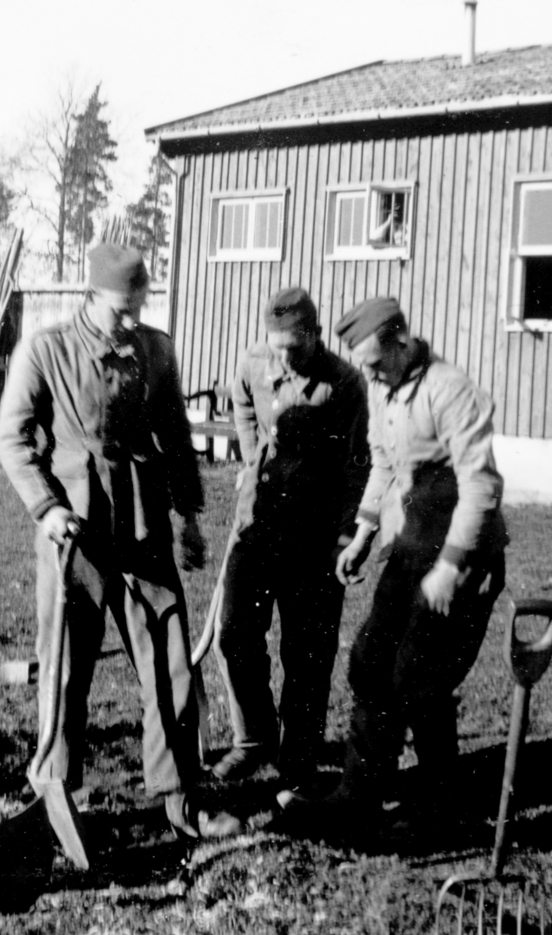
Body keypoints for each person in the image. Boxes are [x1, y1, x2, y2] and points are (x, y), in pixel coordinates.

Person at [0, 243, 237, 841]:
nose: (132, 320)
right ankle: (55, 797)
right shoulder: (45, 350)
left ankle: (182, 797)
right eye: (121, 310)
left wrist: (189, 519)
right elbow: (12, 438)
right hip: (74, 535)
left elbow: (178, 439)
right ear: (91, 296)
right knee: (66, 667)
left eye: (139, 307)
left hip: (143, 530)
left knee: (171, 661)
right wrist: (46, 508)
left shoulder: (155, 349)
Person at [279, 296, 509, 826]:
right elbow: (382, 464)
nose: (367, 371)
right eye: (361, 363)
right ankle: (359, 794)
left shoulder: (450, 390)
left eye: (375, 360)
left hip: (465, 556)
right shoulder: (381, 389)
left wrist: (451, 566)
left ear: (402, 340)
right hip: (410, 547)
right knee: (369, 661)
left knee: (419, 677)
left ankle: (438, 805)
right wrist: (361, 534)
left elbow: (481, 487)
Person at [209, 286, 368, 786]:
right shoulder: (254, 362)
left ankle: (298, 751)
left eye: (293, 348)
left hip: (313, 537)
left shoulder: (343, 384)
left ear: (315, 337)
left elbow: (358, 466)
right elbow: (242, 402)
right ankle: (253, 740)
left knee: (308, 650)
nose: (283, 357)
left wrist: (347, 535)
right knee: (233, 633)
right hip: (256, 527)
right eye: (275, 346)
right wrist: (253, 458)